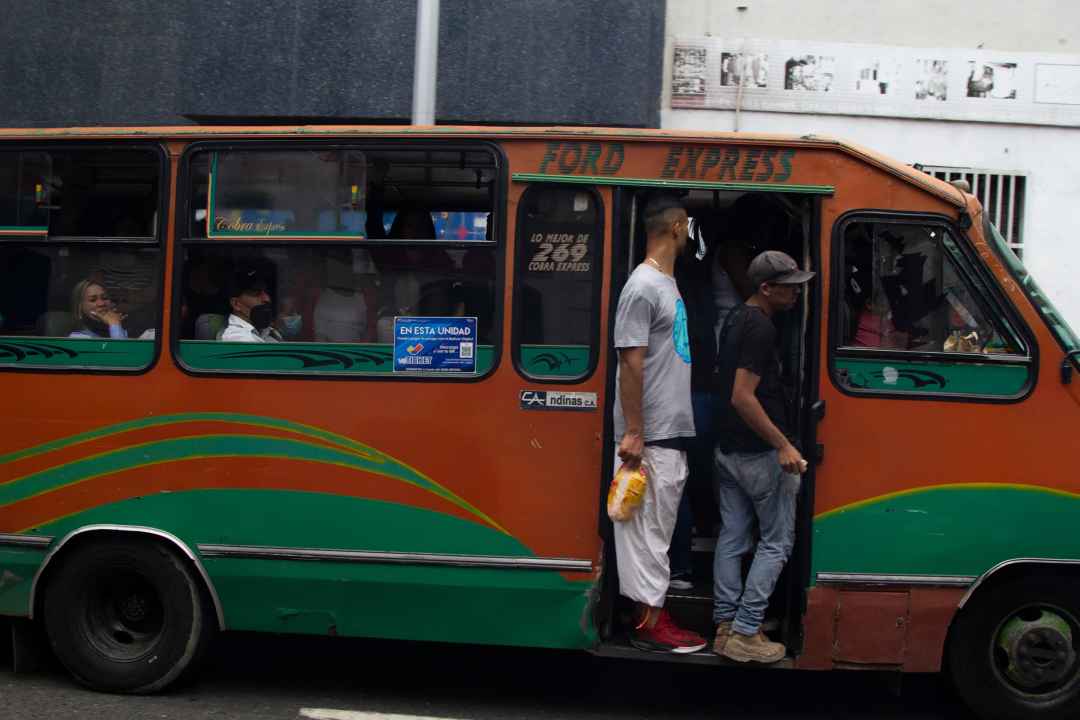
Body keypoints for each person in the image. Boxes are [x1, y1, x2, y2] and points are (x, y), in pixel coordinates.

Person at [612, 193, 705, 654]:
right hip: (650, 433)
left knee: (658, 529)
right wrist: (634, 431)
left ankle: (652, 612)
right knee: (648, 532)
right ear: (677, 227)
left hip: (667, 427)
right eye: (688, 227)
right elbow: (631, 362)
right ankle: (649, 622)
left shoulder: (665, 283)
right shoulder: (644, 285)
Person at [711, 250, 814, 664]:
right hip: (758, 455)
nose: (796, 293)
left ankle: (724, 625)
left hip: (729, 451)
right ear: (766, 288)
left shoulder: (736, 317)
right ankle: (746, 630)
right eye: (788, 287)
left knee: (733, 538)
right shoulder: (760, 329)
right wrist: (783, 445)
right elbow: (742, 397)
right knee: (775, 543)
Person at [220, 267, 281, 343]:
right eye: (256, 293)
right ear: (236, 304)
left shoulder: (267, 332)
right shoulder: (239, 338)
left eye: (267, 292)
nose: (266, 299)